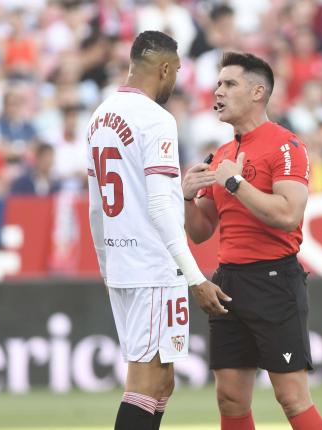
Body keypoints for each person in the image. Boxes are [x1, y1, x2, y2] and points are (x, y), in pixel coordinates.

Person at [86, 31, 230, 430]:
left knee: (161, 382)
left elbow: (96, 204)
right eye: (177, 71)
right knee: (146, 380)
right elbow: (161, 206)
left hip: (122, 260)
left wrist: (105, 265)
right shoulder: (156, 119)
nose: (176, 80)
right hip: (151, 264)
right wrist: (196, 276)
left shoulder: (100, 116)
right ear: (164, 68)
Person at [182, 52, 322, 430]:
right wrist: (184, 198)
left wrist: (234, 182)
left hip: (273, 280)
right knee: (229, 398)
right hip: (228, 281)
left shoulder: (286, 145)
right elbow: (200, 231)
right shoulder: (226, 153)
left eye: (229, 84)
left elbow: (287, 214)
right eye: (218, 84)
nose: (218, 91)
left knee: (291, 396)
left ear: (257, 91)